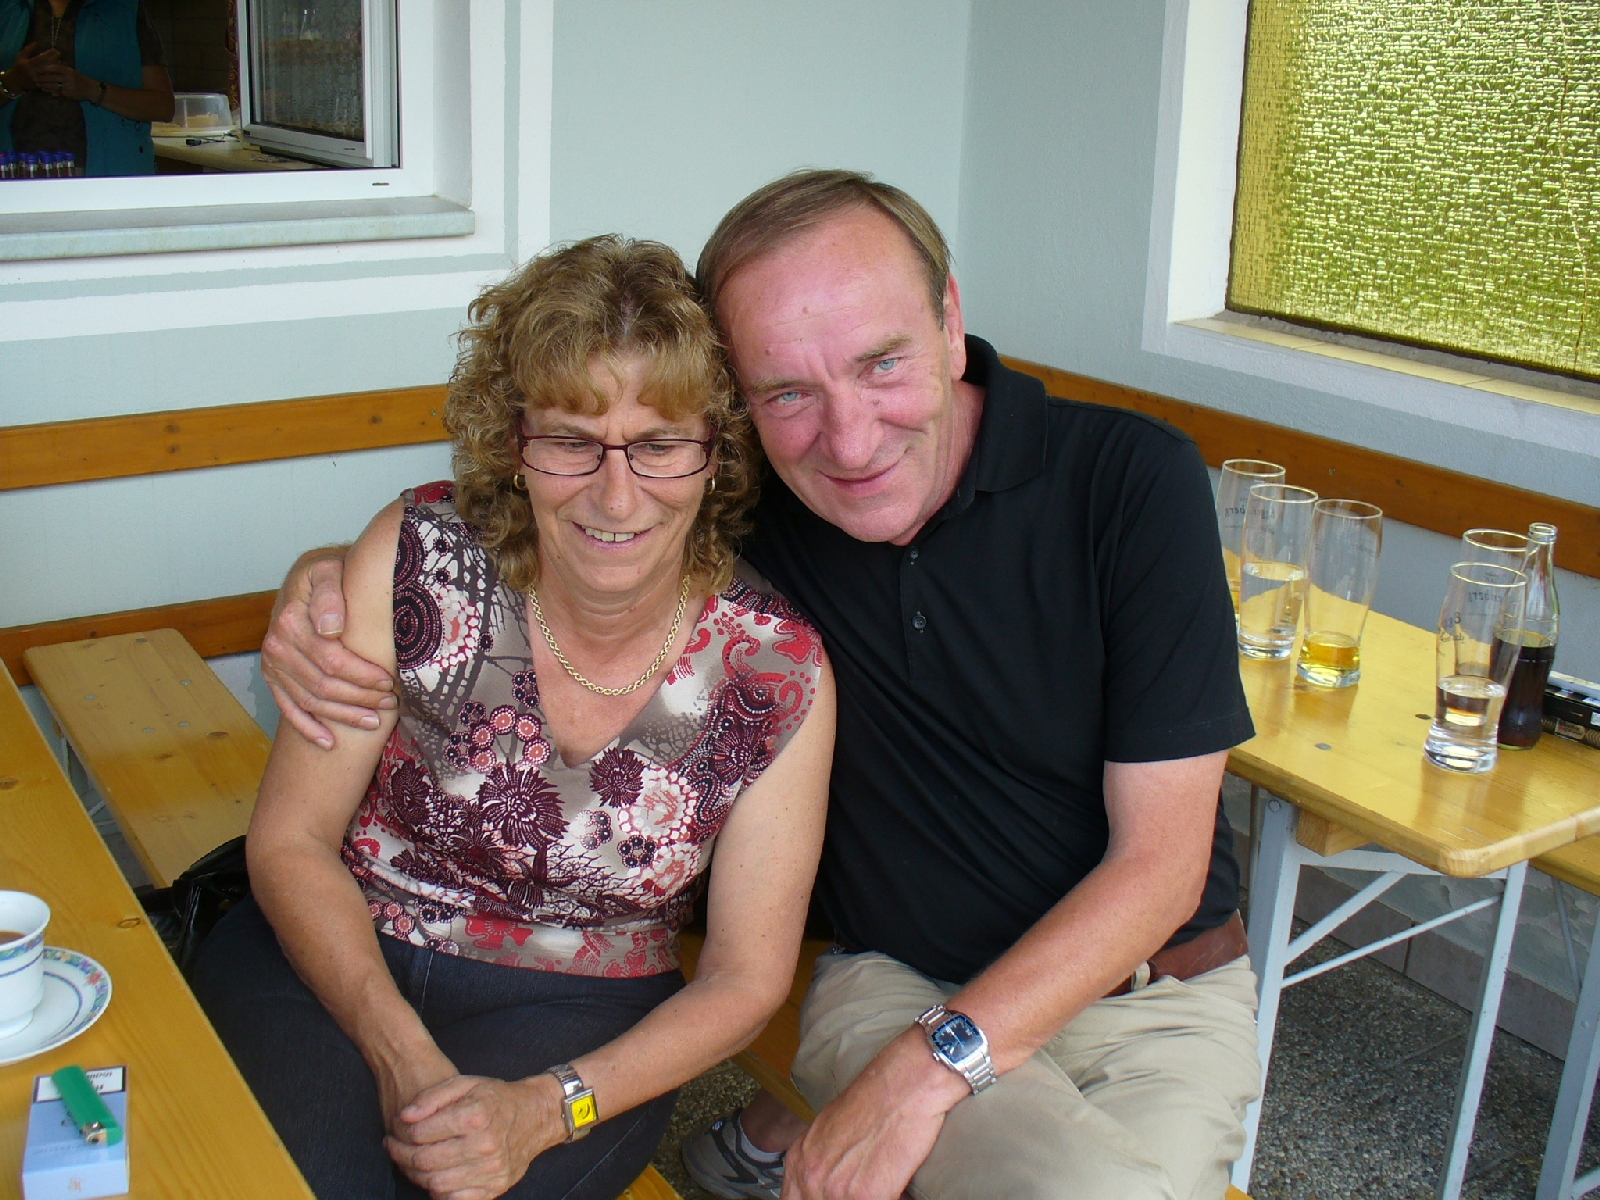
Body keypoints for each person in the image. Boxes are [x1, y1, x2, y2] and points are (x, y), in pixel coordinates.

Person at [262, 171, 1262, 1200]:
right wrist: (327, 580)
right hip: (898, 983)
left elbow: (1161, 867)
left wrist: (924, 1075)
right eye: (786, 393)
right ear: (737, 414)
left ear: (950, 321)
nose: (850, 440)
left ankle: (764, 1139)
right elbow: (577, 519)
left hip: (1155, 1002)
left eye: (881, 363)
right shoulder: (753, 500)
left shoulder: (1129, 484)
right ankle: (773, 1134)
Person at [195, 234, 835, 1200]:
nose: (615, 493)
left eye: (660, 445)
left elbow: (745, 979)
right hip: (337, 953)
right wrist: (400, 1053)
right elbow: (290, 839)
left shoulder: (773, 671)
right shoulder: (422, 560)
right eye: (571, 442)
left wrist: (547, 1108)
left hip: (584, 1010)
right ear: (513, 444)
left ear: (717, 454)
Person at [0, 0, 174, 176]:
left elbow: (163, 106)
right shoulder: (8, 9)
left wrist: (90, 89)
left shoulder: (125, 10)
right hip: (14, 173)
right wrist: (12, 81)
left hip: (111, 174)